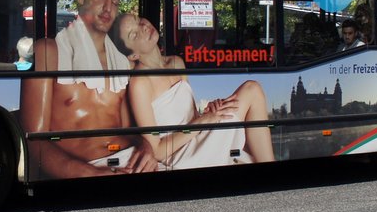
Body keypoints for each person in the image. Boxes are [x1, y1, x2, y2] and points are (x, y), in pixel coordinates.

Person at [19, 0, 158, 179]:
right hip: (82, 172)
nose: (108, 8)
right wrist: (91, 173)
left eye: (115, 2)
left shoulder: (122, 62)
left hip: (128, 164)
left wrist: (145, 147)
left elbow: (129, 131)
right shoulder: (50, 52)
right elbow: (34, 141)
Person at [109, 13, 274, 168]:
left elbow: (191, 116)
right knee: (251, 90)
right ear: (133, 56)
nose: (143, 27)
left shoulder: (177, 63)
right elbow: (157, 151)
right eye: (134, 34)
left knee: (252, 89)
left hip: (198, 136)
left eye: (138, 20)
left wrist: (210, 111)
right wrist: (204, 121)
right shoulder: (140, 83)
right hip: (182, 154)